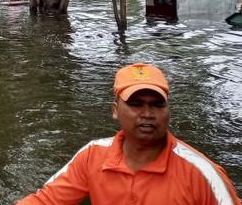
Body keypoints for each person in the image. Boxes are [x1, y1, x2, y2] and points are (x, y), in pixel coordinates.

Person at [17, 63, 241, 205]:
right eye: (136, 104)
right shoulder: (92, 156)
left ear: (167, 111)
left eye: (157, 105)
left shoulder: (202, 174)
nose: (147, 114)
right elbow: (46, 201)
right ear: (115, 111)